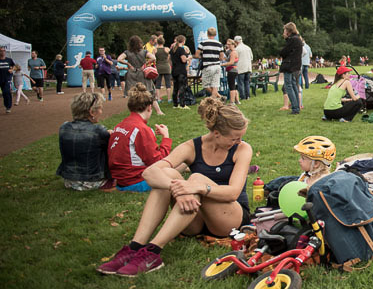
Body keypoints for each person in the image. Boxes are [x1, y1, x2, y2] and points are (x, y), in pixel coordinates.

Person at [96, 97, 251, 277]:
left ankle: (153, 251)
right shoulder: (192, 146)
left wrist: (197, 187)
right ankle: (135, 246)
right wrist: (179, 189)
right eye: (235, 138)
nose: (239, 141)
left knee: (195, 177)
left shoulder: (242, 149)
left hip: (228, 219)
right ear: (216, 134)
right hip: (193, 216)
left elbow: (233, 193)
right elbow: (149, 173)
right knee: (167, 174)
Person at [108, 85, 172, 192]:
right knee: (177, 163)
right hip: (135, 181)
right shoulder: (141, 129)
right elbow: (157, 162)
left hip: (120, 179)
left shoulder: (120, 125)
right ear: (149, 108)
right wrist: (166, 137)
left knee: (180, 161)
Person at [57, 92, 113, 191]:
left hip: (69, 180)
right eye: (99, 108)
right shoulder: (98, 131)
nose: (101, 111)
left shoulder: (64, 128)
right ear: (91, 112)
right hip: (92, 181)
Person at [118, 35, 164, 115]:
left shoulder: (127, 52)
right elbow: (153, 58)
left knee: (133, 94)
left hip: (131, 74)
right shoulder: (144, 52)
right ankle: (158, 111)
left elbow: (119, 59)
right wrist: (145, 64)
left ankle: (135, 112)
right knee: (149, 93)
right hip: (142, 73)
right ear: (139, 43)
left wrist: (128, 63)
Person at [279, 22, 303, 115]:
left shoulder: (292, 40)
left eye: (285, 30)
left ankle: (295, 107)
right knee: (293, 85)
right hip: (296, 65)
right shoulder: (298, 39)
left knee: (288, 86)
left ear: (288, 31)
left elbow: (283, 52)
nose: (284, 32)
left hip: (289, 66)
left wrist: (286, 40)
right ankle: (297, 106)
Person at [195, 27, 224, 99]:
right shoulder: (219, 44)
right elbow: (221, 57)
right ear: (215, 34)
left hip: (208, 65)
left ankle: (217, 98)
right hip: (217, 65)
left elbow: (196, 55)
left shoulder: (203, 43)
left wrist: (202, 57)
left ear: (207, 34)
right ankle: (217, 98)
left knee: (206, 85)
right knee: (215, 84)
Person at [169, 35, 190, 108]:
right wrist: (189, 58)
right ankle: (182, 104)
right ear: (183, 41)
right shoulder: (181, 49)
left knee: (175, 88)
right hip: (181, 70)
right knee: (182, 87)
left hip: (174, 70)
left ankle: (175, 104)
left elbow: (169, 60)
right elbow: (183, 60)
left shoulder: (172, 50)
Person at [234, 35, 253, 100]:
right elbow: (251, 58)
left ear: (236, 42)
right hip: (248, 68)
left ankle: (242, 97)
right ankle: (248, 96)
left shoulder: (237, 49)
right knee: (247, 82)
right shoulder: (248, 48)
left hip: (240, 68)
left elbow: (235, 59)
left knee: (240, 83)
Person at [154, 37, 171, 103]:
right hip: (166, 66)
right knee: (168, 83)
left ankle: (158, 99)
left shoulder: (155, 50)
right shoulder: (167, 49)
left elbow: (154, 59)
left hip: (158, 67)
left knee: (158, 84)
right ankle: (169, 99)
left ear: (157, 42)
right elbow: (169, 58)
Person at [223, 38, 240, 105]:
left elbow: (231, 62)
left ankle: (232, 101)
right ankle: (237, 100)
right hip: (234, 70)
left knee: (231, 86)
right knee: (234, 86)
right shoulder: (232, 52)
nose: (228, 46)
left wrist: (222, 64)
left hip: (232, 70)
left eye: (229, 44)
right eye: (227, 45)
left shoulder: (233, 53)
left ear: (233, 44)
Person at [0, 47, 13, 114]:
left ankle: (8, 106)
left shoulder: (9, 60)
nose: (2, 52)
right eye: (1, 51)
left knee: (6, 92)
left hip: (7, 79)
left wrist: (12, 69)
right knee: (4, 93)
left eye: (3, 51)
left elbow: (15, 66)